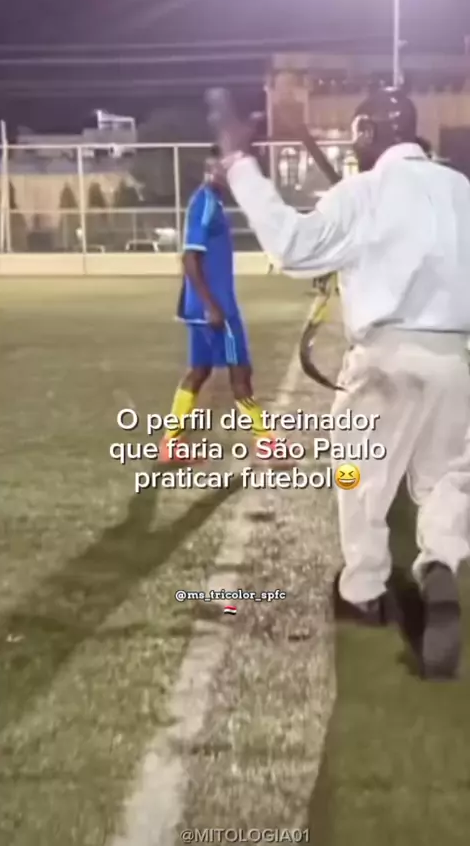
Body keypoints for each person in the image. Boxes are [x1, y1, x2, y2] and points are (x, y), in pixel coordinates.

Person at [208, 86, 470, 679]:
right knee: (446, 479)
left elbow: (292, 245)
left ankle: (364, 589)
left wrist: (241, 165)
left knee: (356, 476)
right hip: (454, 359)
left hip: (383, 363)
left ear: (369, 133)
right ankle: (440, 564)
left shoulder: (362, 192)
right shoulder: (461, 190)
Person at [159, 145, 277, 462]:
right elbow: (190, 258)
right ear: (211, 170)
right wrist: (211, 305)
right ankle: (267, 443)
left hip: (203, 307)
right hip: (217, 309)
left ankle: (171, 444)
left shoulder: (212, 202)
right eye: (223, 169)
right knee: (241, 373)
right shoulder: (207, 202)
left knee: (199, 371)